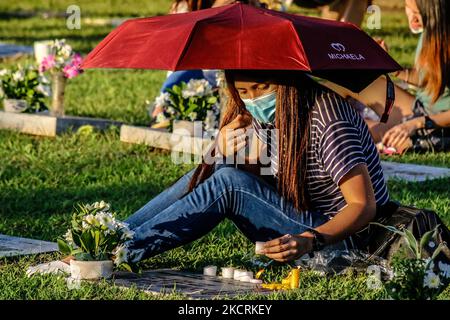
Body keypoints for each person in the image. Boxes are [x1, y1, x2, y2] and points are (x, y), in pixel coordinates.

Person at [124, 69, 390, 264]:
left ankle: (124, 250)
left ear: (286, 78)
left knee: (228, 183)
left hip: (346, 240)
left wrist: (310, 240)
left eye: (261, 87)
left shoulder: (327, 118)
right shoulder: (280, 111)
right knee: (222, 167)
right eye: (243, 92)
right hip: (311, 220)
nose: (253, 99)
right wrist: (220, 150)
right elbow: (262, 176)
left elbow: (363, 206)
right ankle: (117, 234)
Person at [324, 0, 450, 154]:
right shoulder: (431, 32)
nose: (412, 18)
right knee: (345, 81)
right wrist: (390, 65)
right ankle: (305, 116)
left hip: (437, 127)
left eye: (416, 13)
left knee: (345, 134)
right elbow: (432, 78)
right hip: (419, 109)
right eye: (408, 9)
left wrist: (416, 123)